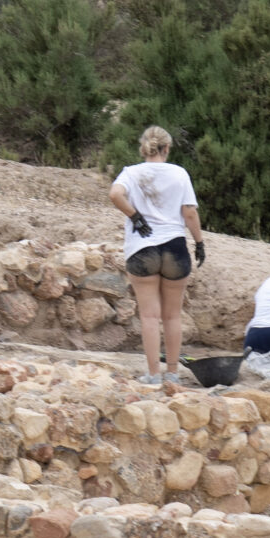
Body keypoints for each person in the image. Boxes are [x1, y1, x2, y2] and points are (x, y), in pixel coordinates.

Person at [110, 124, 203, 386]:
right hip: (174, 247)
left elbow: (115, 194)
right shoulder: (179, 173)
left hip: (142, 248)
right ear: (167, 148)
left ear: (144, 148)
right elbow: (189, 212)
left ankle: (152, 374)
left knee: (149, 316)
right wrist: (199, 242)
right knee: (172, 315)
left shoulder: (131, 173)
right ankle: (172, 374)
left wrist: (135, 216)